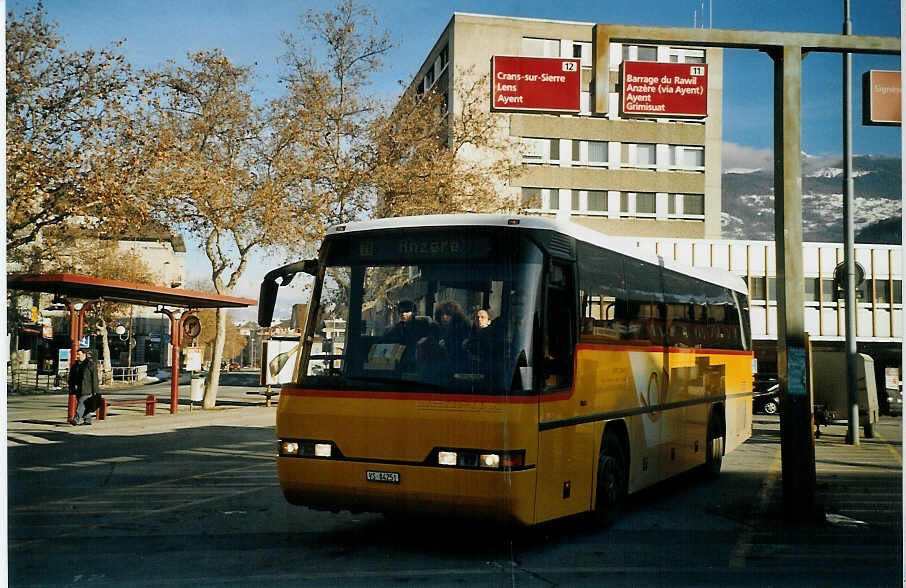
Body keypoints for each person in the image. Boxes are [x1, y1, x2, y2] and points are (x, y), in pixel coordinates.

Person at [69, 348, 99, 426]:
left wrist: (95, 391)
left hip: (87, 388)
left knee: (81, 404)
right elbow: (71, 377)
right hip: (78, 388)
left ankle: (76, 419)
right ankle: (88, 420)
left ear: (84, 355)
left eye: (79, 354)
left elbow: (94, 378)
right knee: (84, 405)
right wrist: (72, 387)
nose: (77, 356)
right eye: (77, 354)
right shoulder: (75, 365)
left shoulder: (90, 364)